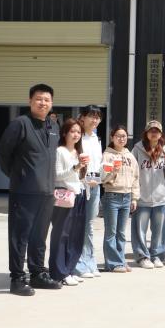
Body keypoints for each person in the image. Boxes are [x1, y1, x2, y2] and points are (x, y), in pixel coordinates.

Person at [0, 83, 61, 294]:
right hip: (24, 192)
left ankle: (37, 274)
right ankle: (17, 279)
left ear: (52, 103)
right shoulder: (20, 124)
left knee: (39, 236)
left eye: (47, 100)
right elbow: (3, 153)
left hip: (47, 192)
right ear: (30, 101)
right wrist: (19, 176)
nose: (43, 103)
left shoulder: (53, 126)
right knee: (20, 236)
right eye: (38, 99)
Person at [48, 119, 88, 286]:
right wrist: (75, 168)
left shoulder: (78, 152)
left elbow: (77, 177)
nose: (76, 135)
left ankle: (70, 269)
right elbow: (57, 175)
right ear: (64, 133)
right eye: (72, 131)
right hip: (64, 196)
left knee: (75, 235)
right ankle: (59, 272)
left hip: (79, 195)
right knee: (61, 234)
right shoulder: (60, 151)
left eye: (78, 132)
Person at [131, 120, 165, 269]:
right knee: (139, 229)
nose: (154, 133)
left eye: (157, 131)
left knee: (159, 230)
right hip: (141, 197)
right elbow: (132, 172)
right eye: (151, 131)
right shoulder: (137, 149)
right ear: (146, 133)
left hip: (160, 197)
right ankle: (142, 257)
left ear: (161, 134)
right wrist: (133, 194)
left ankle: (157, 255)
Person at [100, 125, 141, 273]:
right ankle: (113, 263)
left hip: (127, 196)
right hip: (112, 195)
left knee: (121, 233)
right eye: (118, 136)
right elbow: (103, 179)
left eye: (124, 136)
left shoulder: (130, 156)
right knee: (111, 232)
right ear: (112, 137)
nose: (121, 139)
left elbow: (136, 177)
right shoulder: (107, 155)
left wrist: (134, 198)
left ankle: (120, 260)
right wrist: (113, 172)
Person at [74, 105, 104, 280]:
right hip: (79, 187)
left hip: (95, 186)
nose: (95, 120)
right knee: (78, 225)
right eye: (91, 116)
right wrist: (84, 180)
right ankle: (79, 264)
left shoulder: (96, 138)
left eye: (97, 117)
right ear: (82, 118)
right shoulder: (77, 137)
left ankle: (89, 262)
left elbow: (97, 164)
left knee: (89, 225)